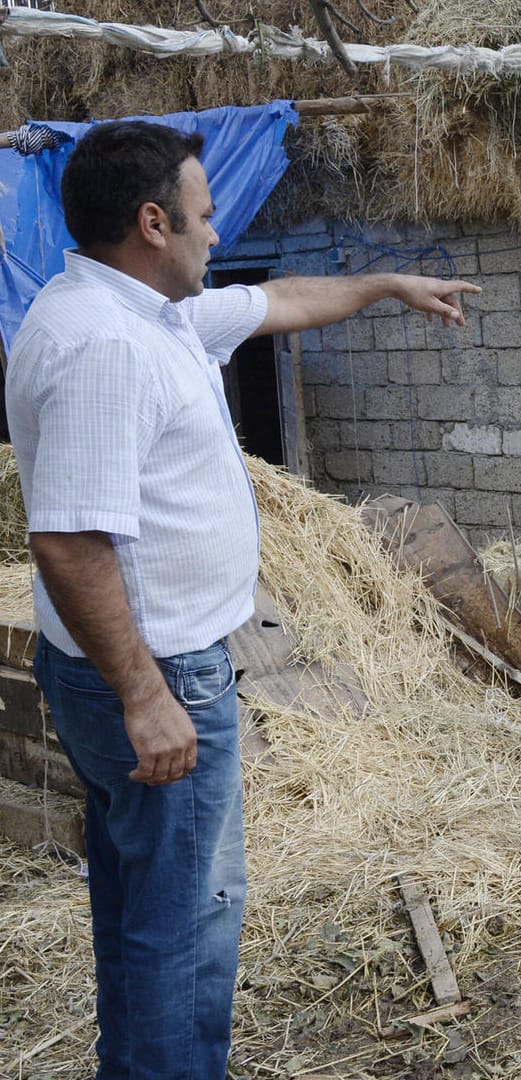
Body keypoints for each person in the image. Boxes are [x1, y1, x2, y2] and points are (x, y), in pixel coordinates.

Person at [4, 119, 480, 1080]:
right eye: (206, 215)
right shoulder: (104, 347)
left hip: (140, 666)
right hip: (155, 674)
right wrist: (145, 696)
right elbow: (65, 538)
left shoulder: (149, 311)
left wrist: (387, 283)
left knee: (143, 902)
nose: (218, 234)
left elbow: (280, 301)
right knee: (186, 924)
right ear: (152, 222)